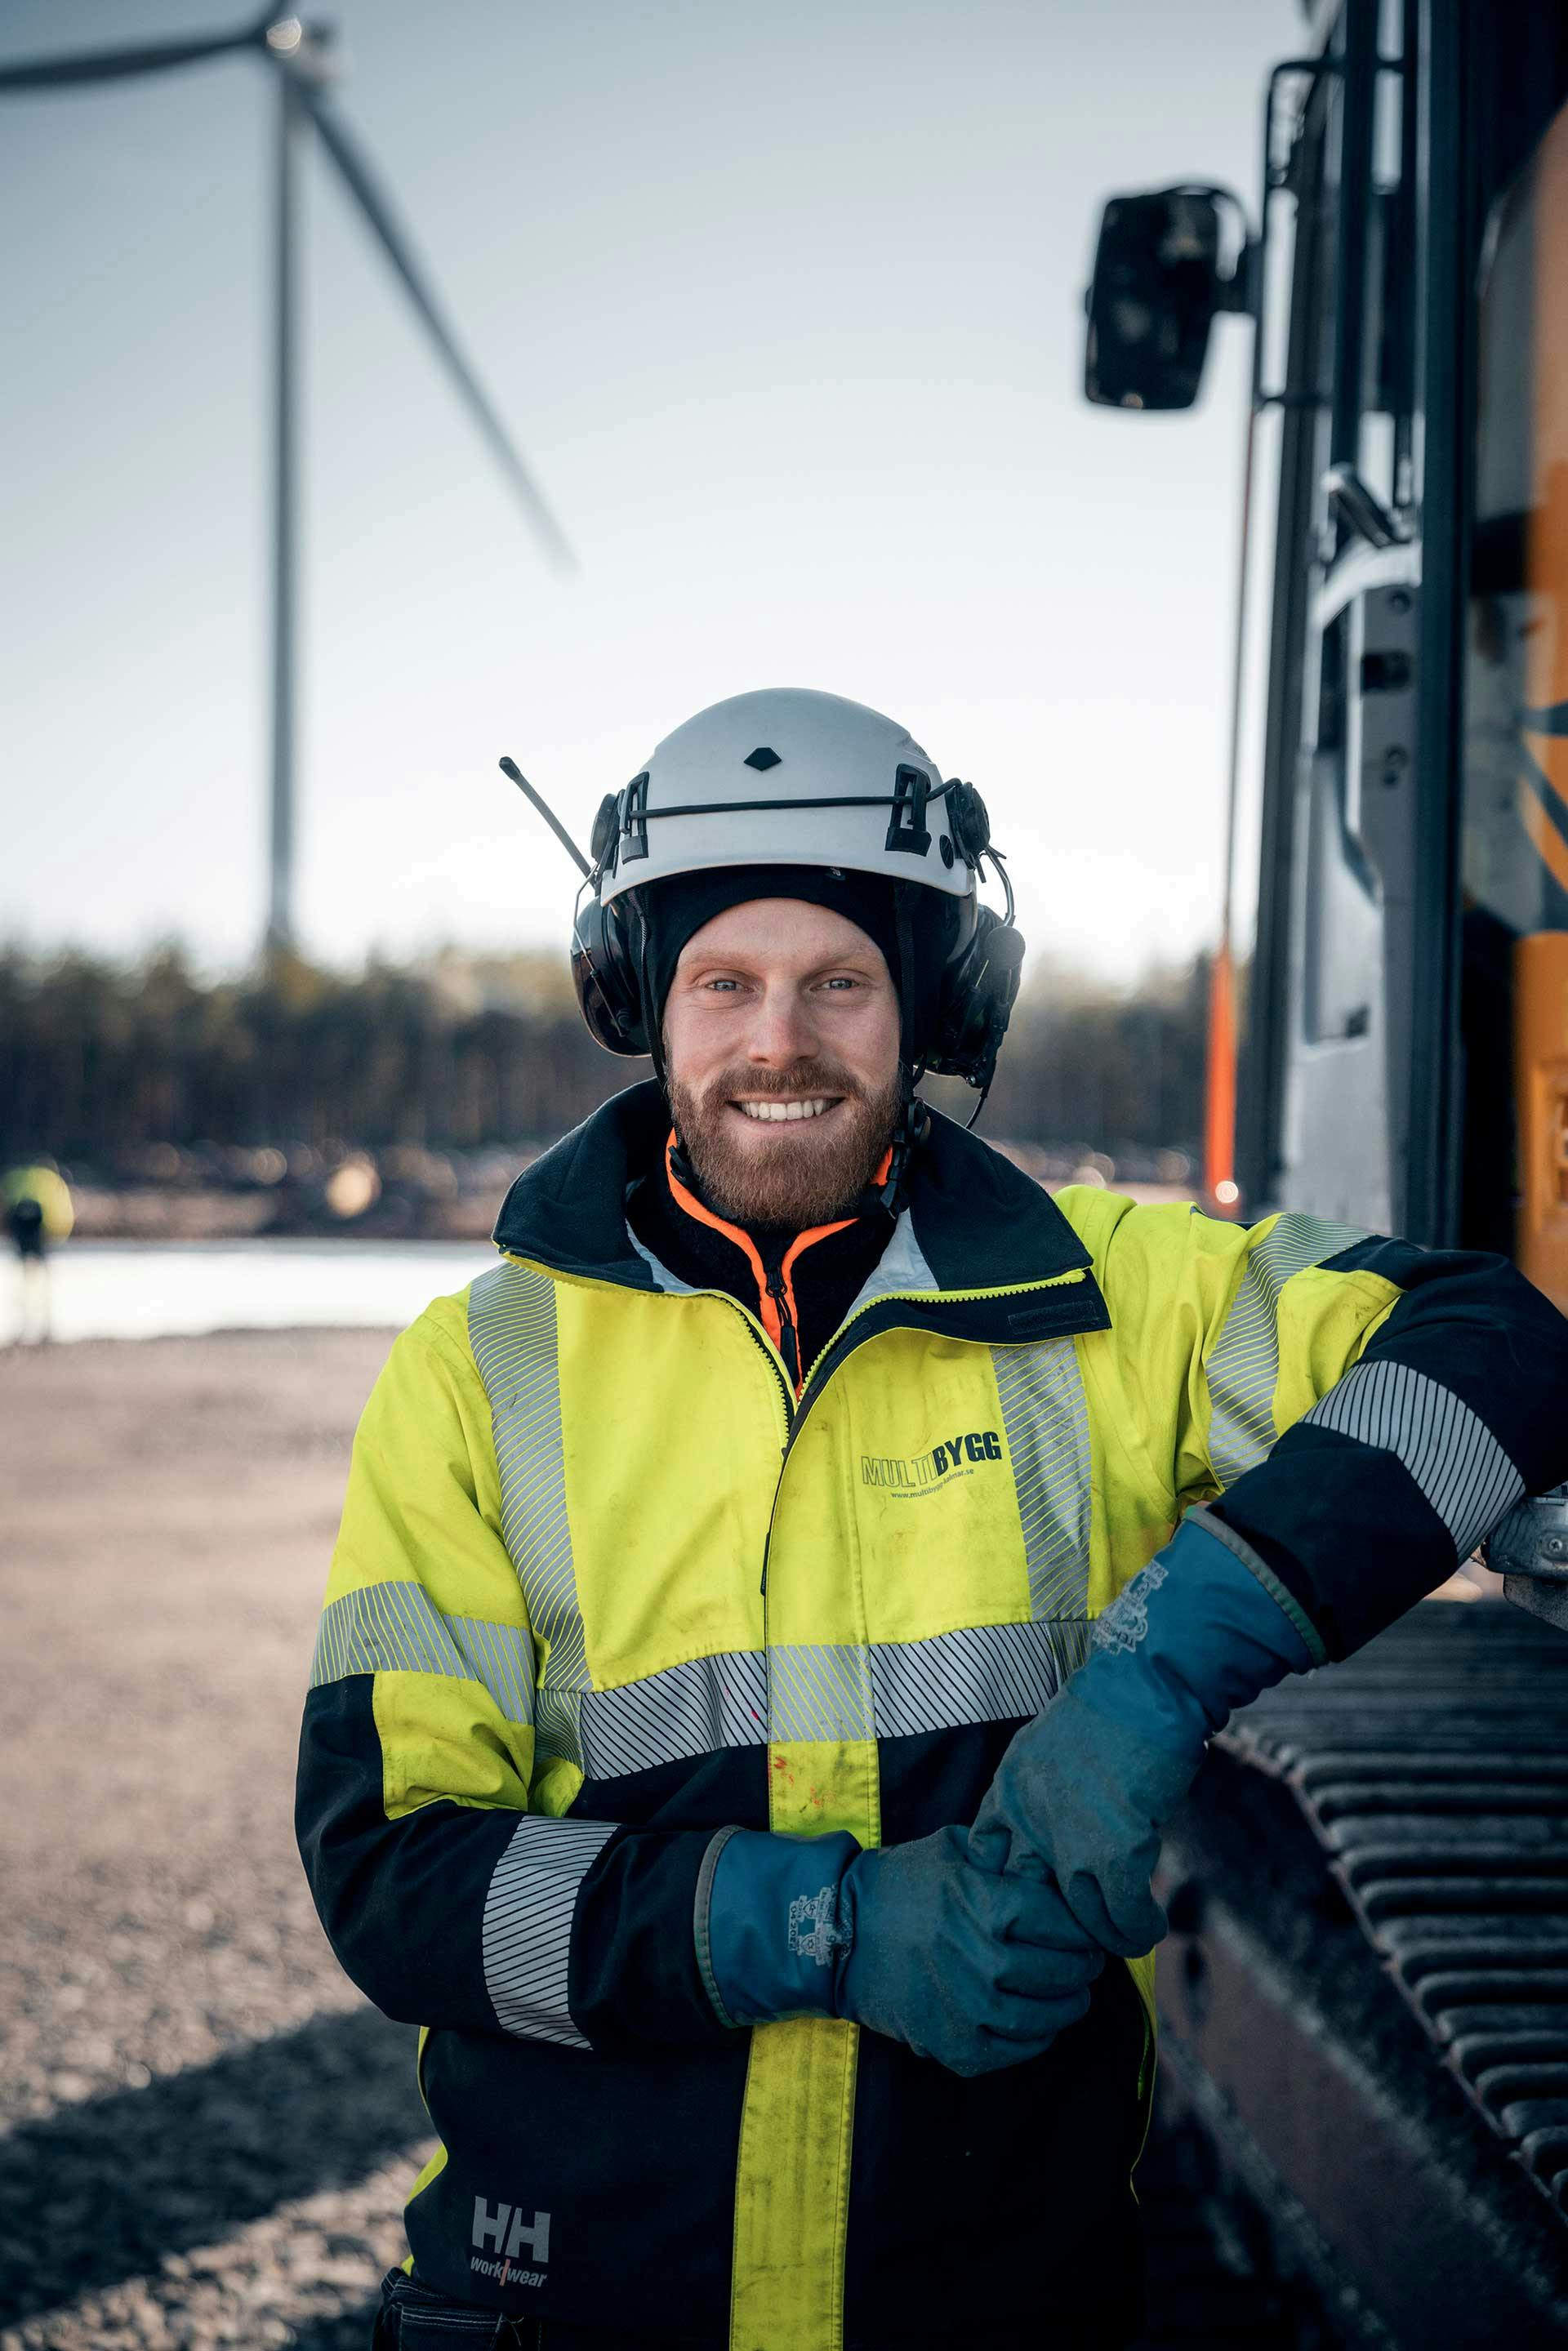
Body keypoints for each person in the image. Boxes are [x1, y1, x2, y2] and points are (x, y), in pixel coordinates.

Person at [295, 688, 1568, 2351]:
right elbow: (394, 1874)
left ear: (932, 1003)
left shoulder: (1114, 1293)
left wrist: (1168, 1658)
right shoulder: (475, 1371)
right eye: (722, 981)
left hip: (999, 2304)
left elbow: (1497, 1344)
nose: (778, 1040)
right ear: (641, 1005)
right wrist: (822, 1924)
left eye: (839, 979)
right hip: (576, 2302)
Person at [4, 1160, 72, 1345]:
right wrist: (58, 1234)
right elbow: (62, 1212)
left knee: (26, 1281)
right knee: (39, 1283)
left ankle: (28, 1325)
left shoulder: (19, 1179)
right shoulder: (51, 1181)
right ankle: (42, 1325)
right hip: (41, 1237)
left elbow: (8, 1207)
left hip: (25, 1237)